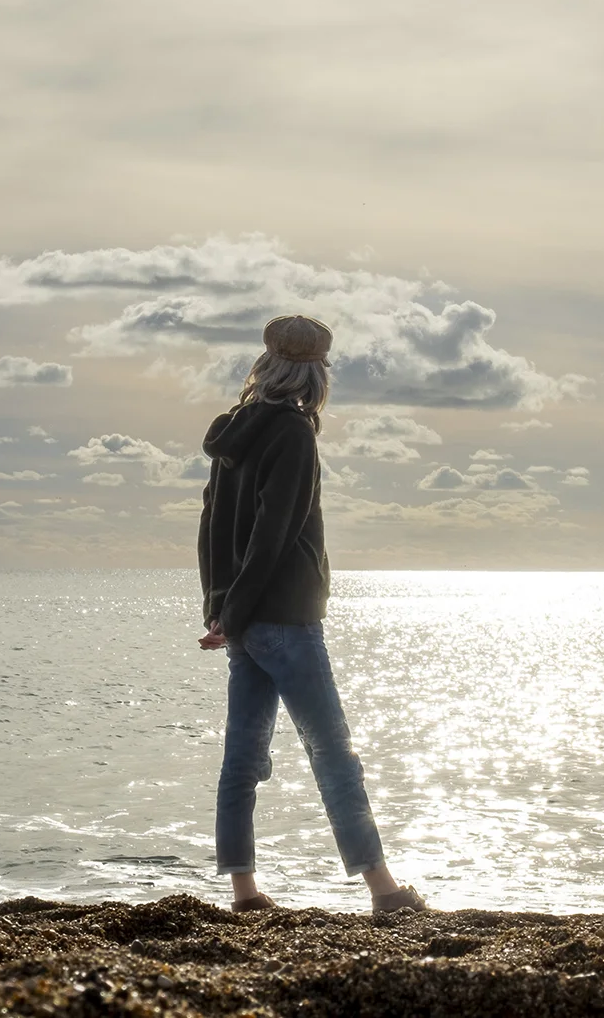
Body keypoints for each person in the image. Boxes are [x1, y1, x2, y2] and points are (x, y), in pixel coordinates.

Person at [196, 314, 427, 916]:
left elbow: (212, 528)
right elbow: (274, 534)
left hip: (243, 623)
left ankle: (243, 893)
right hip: (286, 620)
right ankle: (384, 890)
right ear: (313, 373)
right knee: (332, 752)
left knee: (241, 760)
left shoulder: (233, 434)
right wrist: (238, 610)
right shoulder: (294, 434)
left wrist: (221, 611)